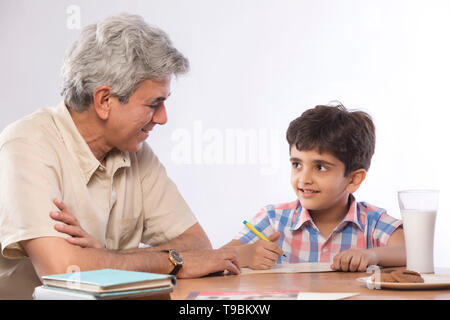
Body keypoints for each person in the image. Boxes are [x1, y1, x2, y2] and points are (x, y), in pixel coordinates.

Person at [0, 13, 240, 300]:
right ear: (104, 101)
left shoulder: (136, 152)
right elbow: (65, 270)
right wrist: (175, 262)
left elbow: (199, 246)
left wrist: (104, 257)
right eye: (154, 104)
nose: (162, 118)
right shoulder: (26, 143)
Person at [224, 104, 406, 271]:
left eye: (320, 167)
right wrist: (246, 255)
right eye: (297, 164)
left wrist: (372, 255)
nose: (304, 179)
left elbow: (412, 251)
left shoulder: (372, 223)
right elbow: (217, 259)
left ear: (353, 179)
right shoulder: (274, 220)